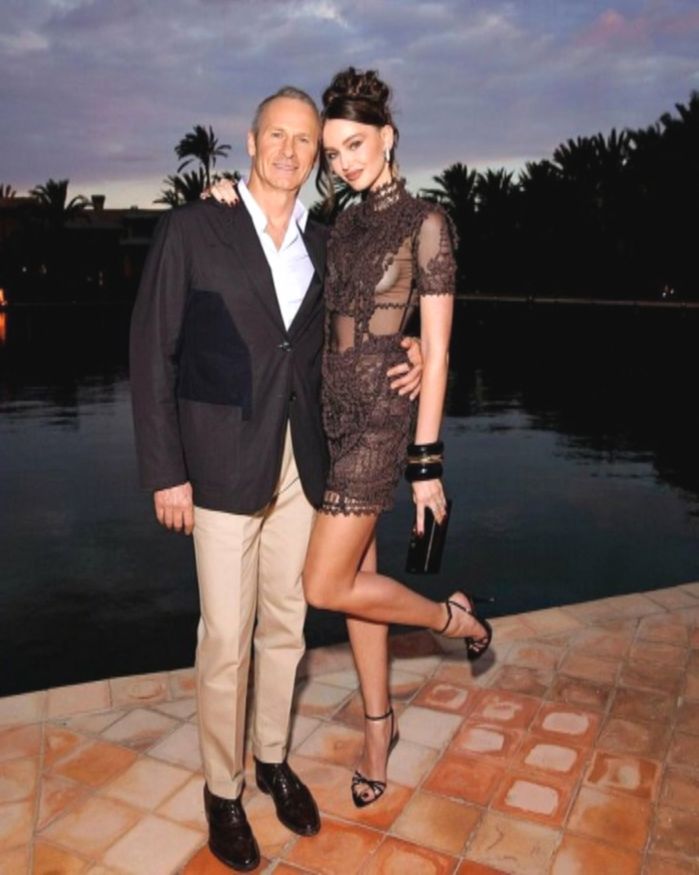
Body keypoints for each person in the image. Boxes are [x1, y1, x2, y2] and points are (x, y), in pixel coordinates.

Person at [129, 86, 422, 872]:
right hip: (218, 464)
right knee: (225, 636)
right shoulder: (195, 227)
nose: (290, 151)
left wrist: (416, 346)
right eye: (277, 136)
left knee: (286, 623)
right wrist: (166, 471)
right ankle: (221, 791)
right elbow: (151, 350)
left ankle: (270, 760)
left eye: (304, 141)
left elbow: (366, 323)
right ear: (252, 142)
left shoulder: (327, 244)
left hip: (301, 460)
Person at [300, 68, 494, 807]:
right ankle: (379, 728)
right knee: (357, 586)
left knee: (323, 584)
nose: (343, 161)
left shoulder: (427, 221)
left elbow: (436, 351)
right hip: (330, 415)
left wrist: (426, 463)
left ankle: (453, 620)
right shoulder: (341, 225)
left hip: (382, 417)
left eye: (355, 144)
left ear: (387, 136)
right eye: (332, 152)